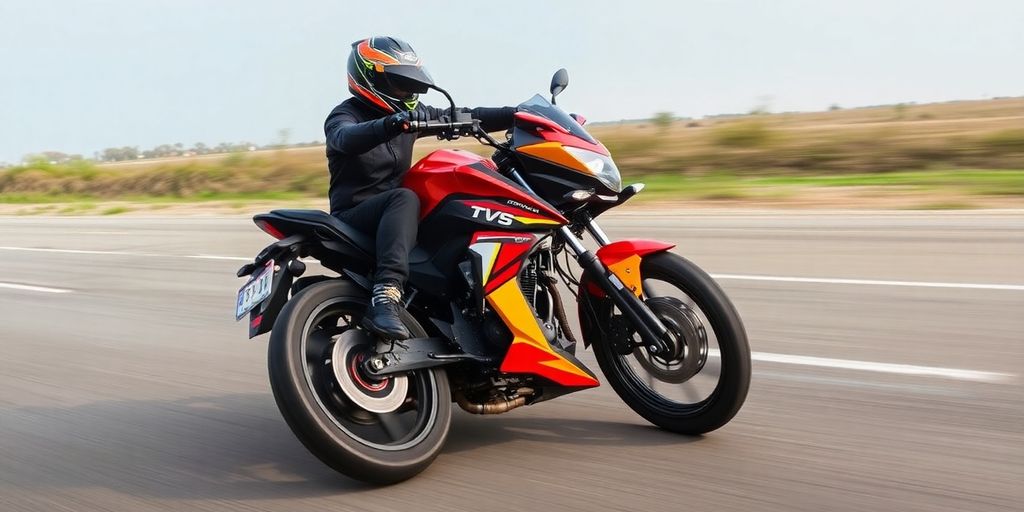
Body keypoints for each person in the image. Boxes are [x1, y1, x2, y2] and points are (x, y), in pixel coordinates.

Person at [325, 36, 516, 340]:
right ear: (371, 79)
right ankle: (386, 295)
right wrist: (393, 123)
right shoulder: (344, 115)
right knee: (405, 197)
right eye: (399, 85)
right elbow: (345, 137)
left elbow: (465, 114)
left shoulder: (411, 114)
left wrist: (520, 115)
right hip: (354, 214)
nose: (407, 93)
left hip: (396, 214)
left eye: (410, 85)